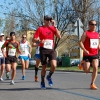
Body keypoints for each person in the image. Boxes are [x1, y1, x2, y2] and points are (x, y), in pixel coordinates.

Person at [33, 15, 61, 89]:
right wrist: (39, 40)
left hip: (51, 50)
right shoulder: (40, 28)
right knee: (44, 67)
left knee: (54, 65)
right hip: (43, 49)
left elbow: (59, 36)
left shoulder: (52, 28)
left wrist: (54, 26)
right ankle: (42, 82)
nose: (49, 21)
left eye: (50, 20)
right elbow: (34, 39)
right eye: (47, 20)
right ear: (44, 20)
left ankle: (49, 76)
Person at [79, 20, 100, 90]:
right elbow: (80, 42)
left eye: (95, 24)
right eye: (92, 24)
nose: (94, 26)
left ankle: (92, 83)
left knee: (95, 68)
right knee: (87, 71)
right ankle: (82, 64)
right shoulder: (86, 33)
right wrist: (85, 50)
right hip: (87, 54)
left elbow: (97, 43)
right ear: (89, 25)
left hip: (95, 54)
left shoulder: (97, 34)